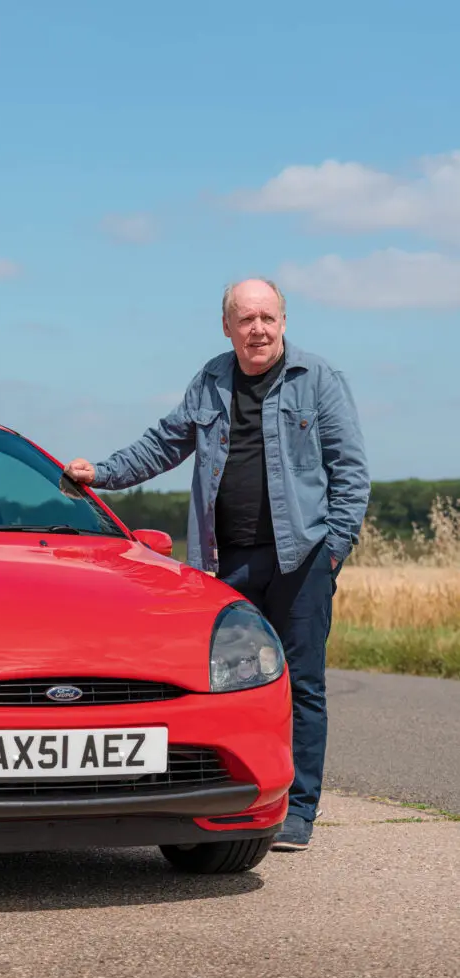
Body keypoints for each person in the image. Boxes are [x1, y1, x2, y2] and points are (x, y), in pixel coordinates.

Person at [64, 278, 370, 851]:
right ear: (226, 327)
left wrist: (332, 553)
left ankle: (298, 810)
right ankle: (223, 796)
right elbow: (163, 444)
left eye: (267, 318)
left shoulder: (318, 380)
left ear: (283, 322)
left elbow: (350, 473)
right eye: (245, 319)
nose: (257, 329)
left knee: (301, 684)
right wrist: (99, 474)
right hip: (222, 561)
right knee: (215, 684)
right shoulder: (210, 380)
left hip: (300, 560)